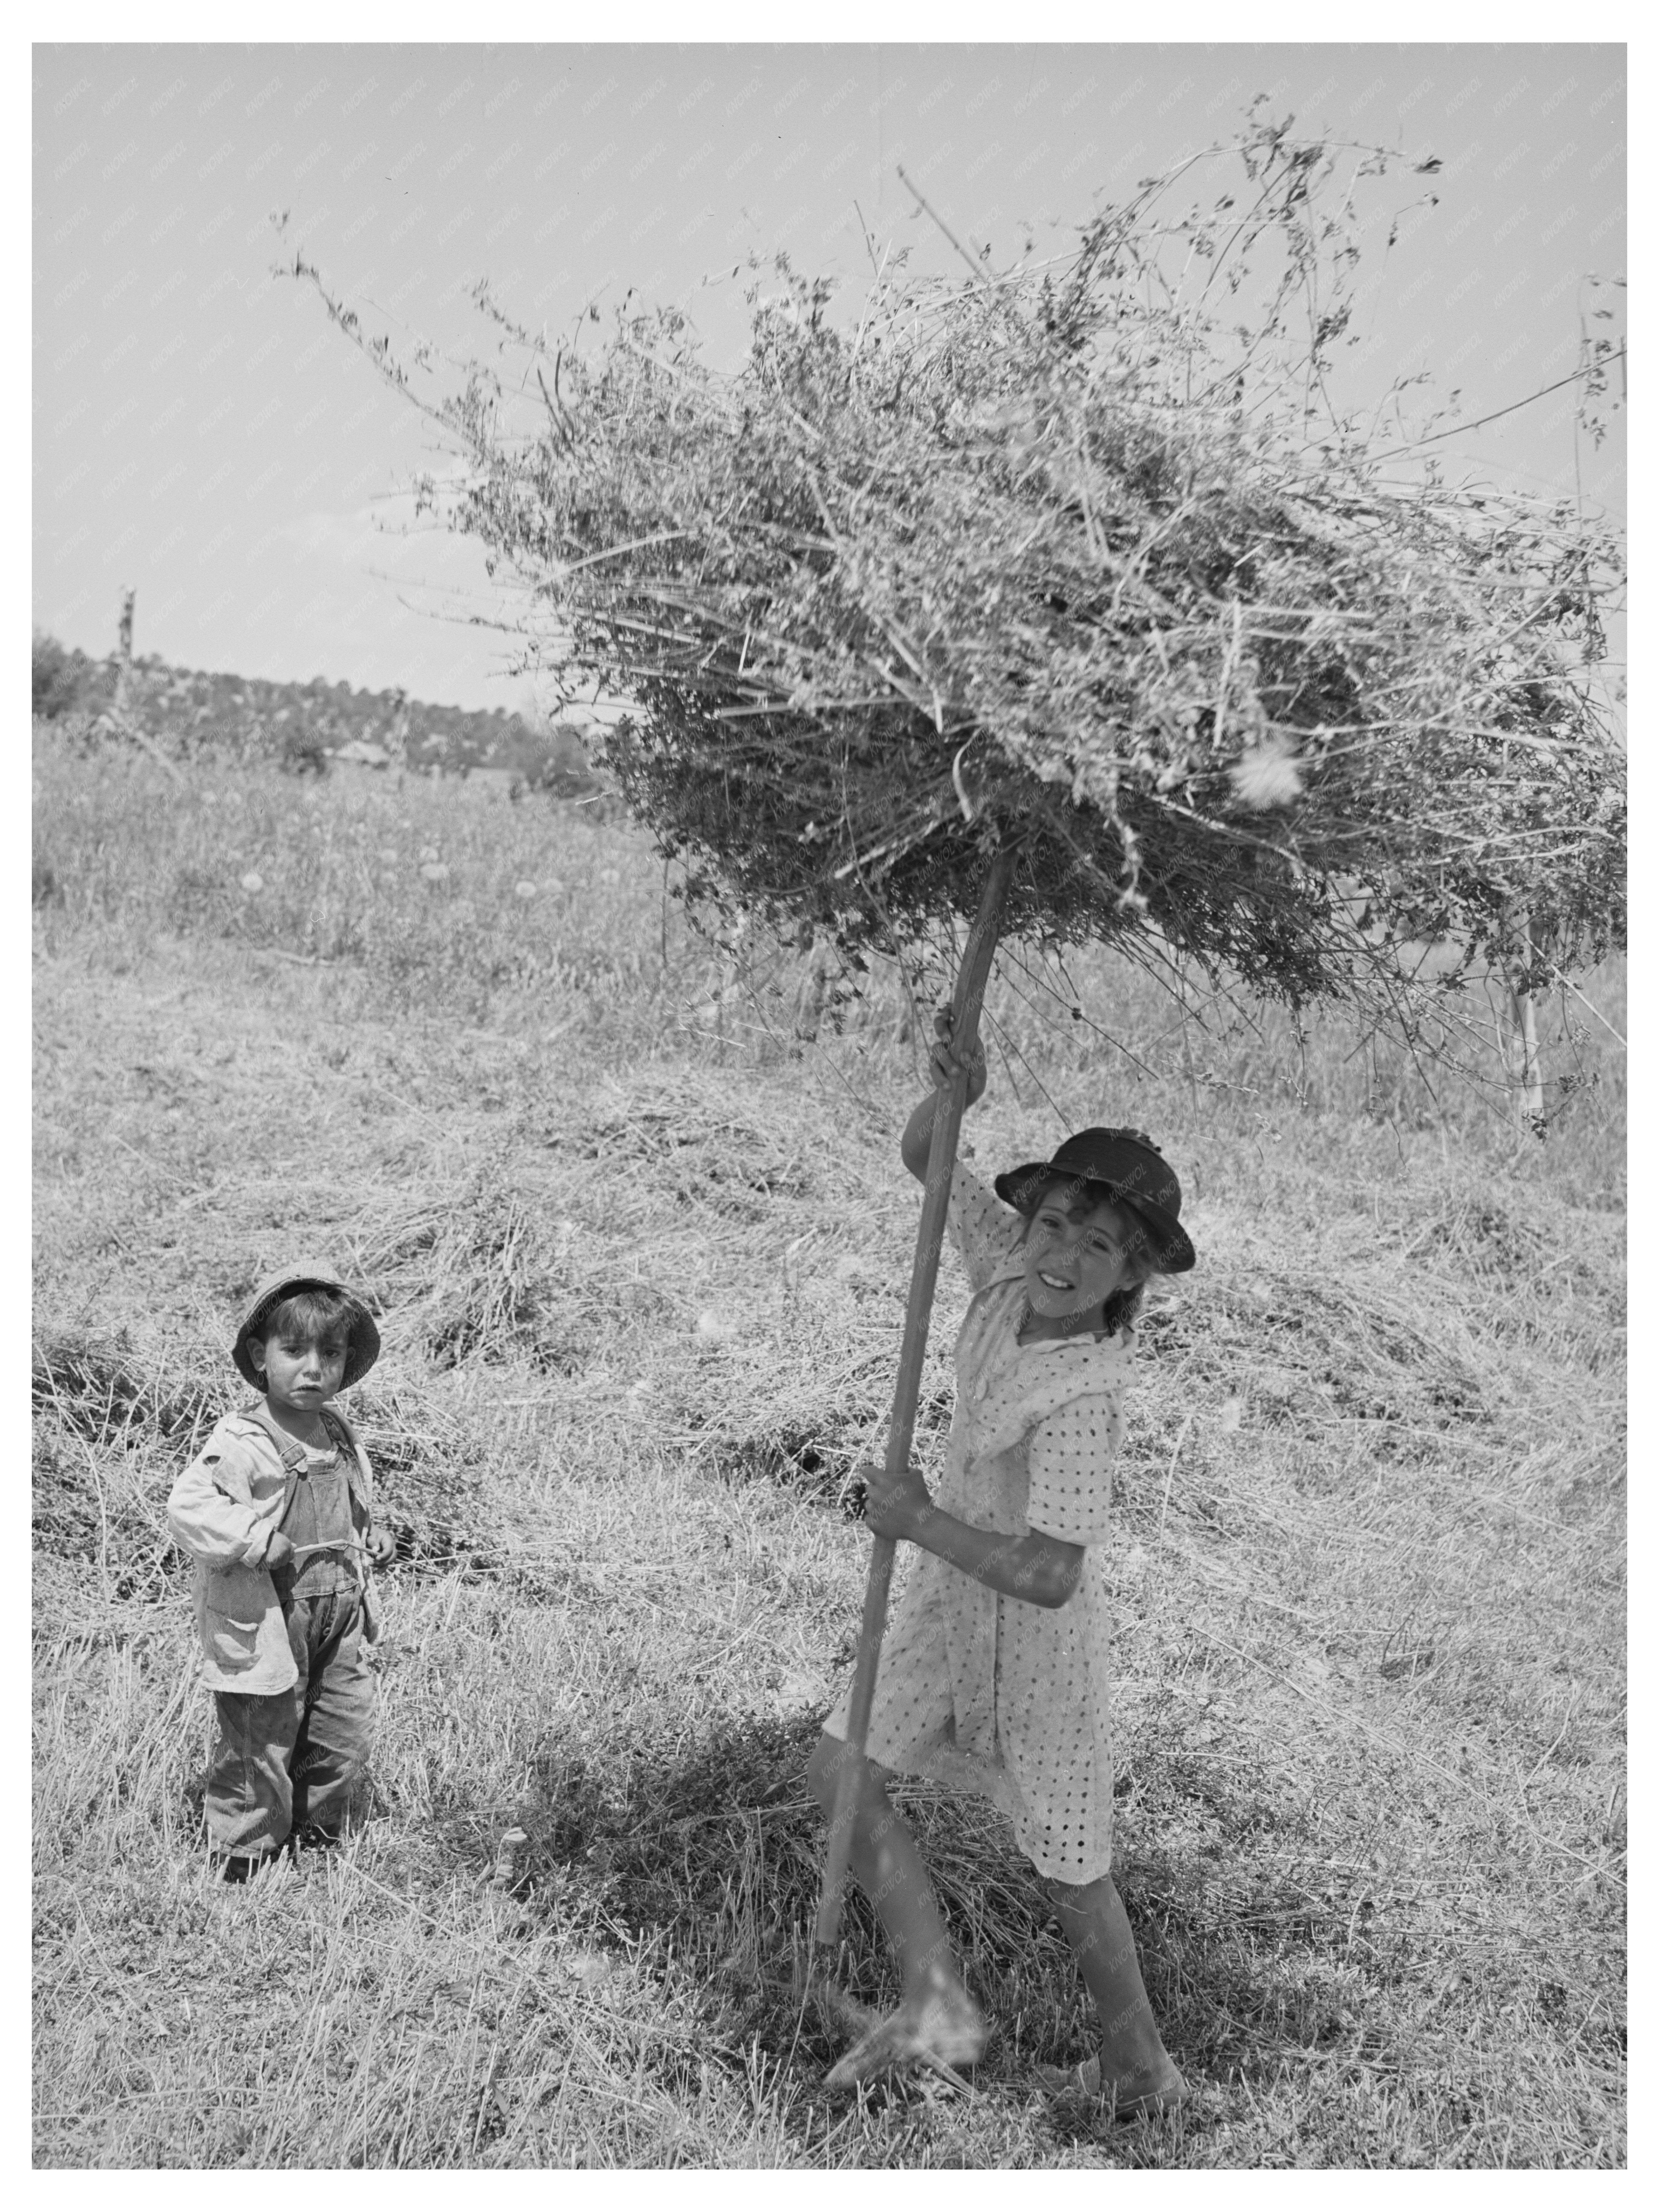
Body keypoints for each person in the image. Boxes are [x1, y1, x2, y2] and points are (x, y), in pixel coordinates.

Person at [808, 1009, 1196, 2114]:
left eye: (1099, 1245)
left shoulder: (1084, 1397)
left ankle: (1142, 2067)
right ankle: (937, 2002)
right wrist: (955, 1093)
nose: (1065, 1254)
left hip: (1035, 1639)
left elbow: (1050, 1572)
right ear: (1027, 1218)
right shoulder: (1000, 1273)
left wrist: (921, 1517)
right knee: (838, 1771)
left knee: (1067, 1860)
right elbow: (928, 1158)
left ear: (1132, 1278)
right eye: (1056, 1221)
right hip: (946, 1603)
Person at [167, 1264, 394, 1880]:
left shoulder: (338, 1431)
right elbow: (188, 1507)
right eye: (294, 1350)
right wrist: (252, 1537)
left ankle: (318, 1835)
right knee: (260, 1735)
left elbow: (350, 1501)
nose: (313, 1367)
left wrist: (370, 1534)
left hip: (339, 1613)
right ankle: (243, 1853)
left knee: (340, 1730)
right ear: (260, 1356)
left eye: (330, 1352)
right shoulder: (244, 1440)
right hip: (269, 1612)